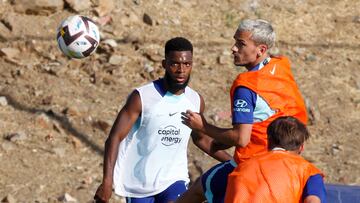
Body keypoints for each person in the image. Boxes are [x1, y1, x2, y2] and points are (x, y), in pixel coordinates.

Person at [177, 19, 308, 203]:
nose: (233, 48)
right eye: (235, 42)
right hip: (290, 163)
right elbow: (271, 118)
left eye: (241, 44)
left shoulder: (246, 86)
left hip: (254, 165)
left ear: (261, 50)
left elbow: (241, 138)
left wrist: (203, 125)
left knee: (198, 189)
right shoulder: (281, 68)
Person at [93, 37, 232, 203]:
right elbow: (114, 138)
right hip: (139, 183)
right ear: (164, 64)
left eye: (187, 64)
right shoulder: (142, 97)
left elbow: (200, 139)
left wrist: (233, 163)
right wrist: (107, 181)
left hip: (174, 179)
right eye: (175, 64)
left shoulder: (195, 101)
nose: (181, 70)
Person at [225, 116, 326, 203]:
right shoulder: (308, 171)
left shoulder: (242, 167)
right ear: (301, 147)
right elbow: (313, 200)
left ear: (269, 141)